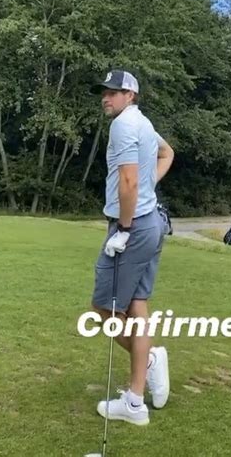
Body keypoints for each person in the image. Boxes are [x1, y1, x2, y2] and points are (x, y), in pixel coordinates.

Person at [91, 68, 175, 426]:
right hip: (151, 222)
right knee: (137, 304)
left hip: (134, 227)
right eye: (104, 92)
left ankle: (150, 361)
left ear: (131, 95)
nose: (106, 98)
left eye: (113, 92)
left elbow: (128, 180)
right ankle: (136, 401)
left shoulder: (124, 125)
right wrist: (147, 191)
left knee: (103, 311)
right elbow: (167, 153)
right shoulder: (143, 122)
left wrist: (123, 227)